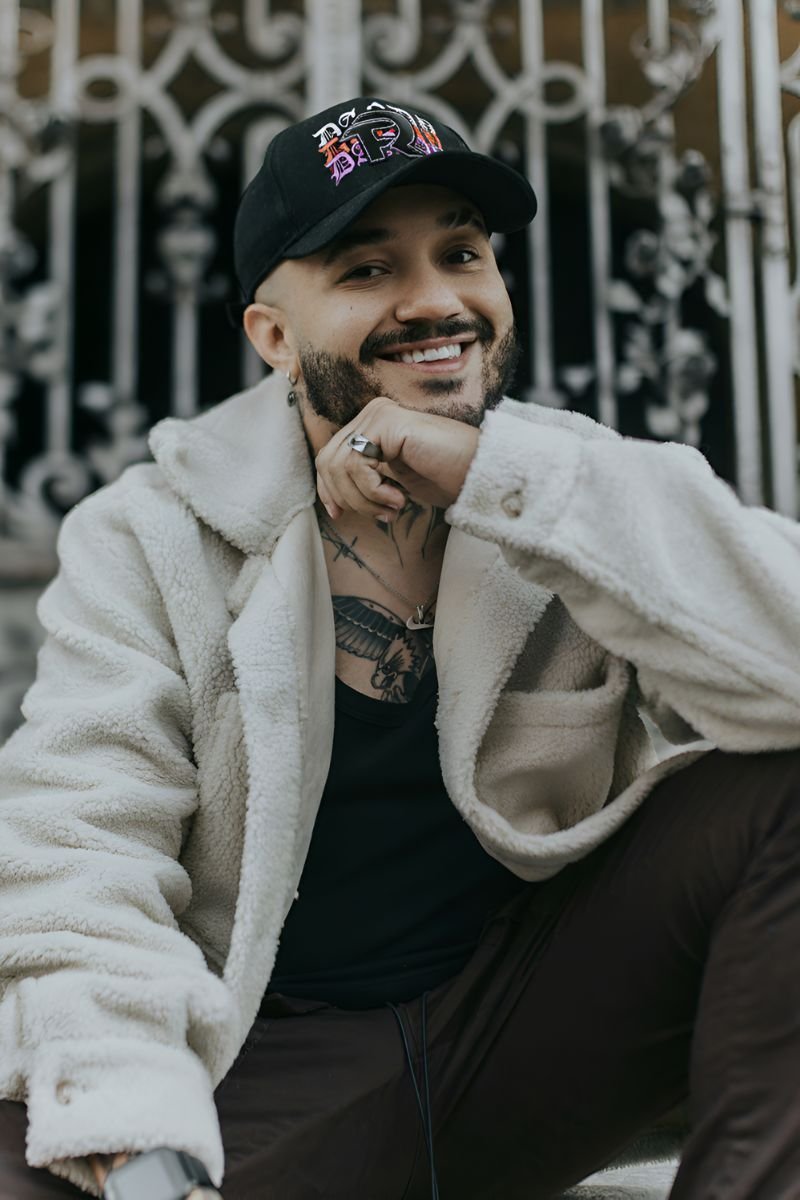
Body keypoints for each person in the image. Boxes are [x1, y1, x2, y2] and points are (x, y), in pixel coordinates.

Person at [0, 94, 798, 1200]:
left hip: (532, 1030)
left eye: (461, 254)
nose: (436, 301)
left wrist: (490, 477)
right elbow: (79, 851)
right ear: (273, 338)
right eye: (368, 269)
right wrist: (142, 1148)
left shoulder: (569, 491)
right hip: (274, 1059)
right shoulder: (153, 536)